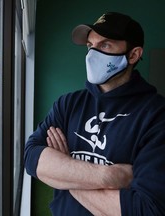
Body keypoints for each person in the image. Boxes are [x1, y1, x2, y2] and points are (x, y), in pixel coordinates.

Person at [24, 11, 165, 215]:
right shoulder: (68, 104)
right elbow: (31, 157)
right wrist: (107, 176)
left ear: (133, 55)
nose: (92, 54)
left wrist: (65, 170)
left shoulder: (156, 116)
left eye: (105, 45)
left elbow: (145, 209)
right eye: (90, 46)